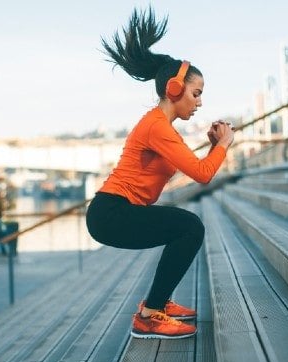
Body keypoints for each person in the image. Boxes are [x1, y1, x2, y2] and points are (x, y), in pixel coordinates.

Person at [86, 7, 234, 340]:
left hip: (116, 211)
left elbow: (195, 167)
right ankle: (149, 316)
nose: (199, 103)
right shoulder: (157, 127)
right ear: (174, 90)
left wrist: (214, 147)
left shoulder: (161, 127)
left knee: (183, 227)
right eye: (196, 94)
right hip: (111, 213)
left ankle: (157, 305)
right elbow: (202, 174)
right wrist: (224, 144)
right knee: (189, 227)